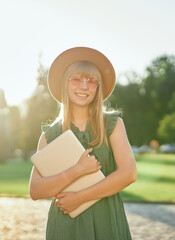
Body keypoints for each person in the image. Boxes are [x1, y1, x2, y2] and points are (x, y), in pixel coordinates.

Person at [29, 47, 137, 240]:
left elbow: (129, 173)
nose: (84, 86)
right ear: (65, 84)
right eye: (76, 79)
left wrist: (80, 197)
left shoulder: (112, 125)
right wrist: (77, 170)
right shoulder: (49, 136)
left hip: (107, 222)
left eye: (92, 81)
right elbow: (36, 190)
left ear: (98, 88)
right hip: (65, 226)